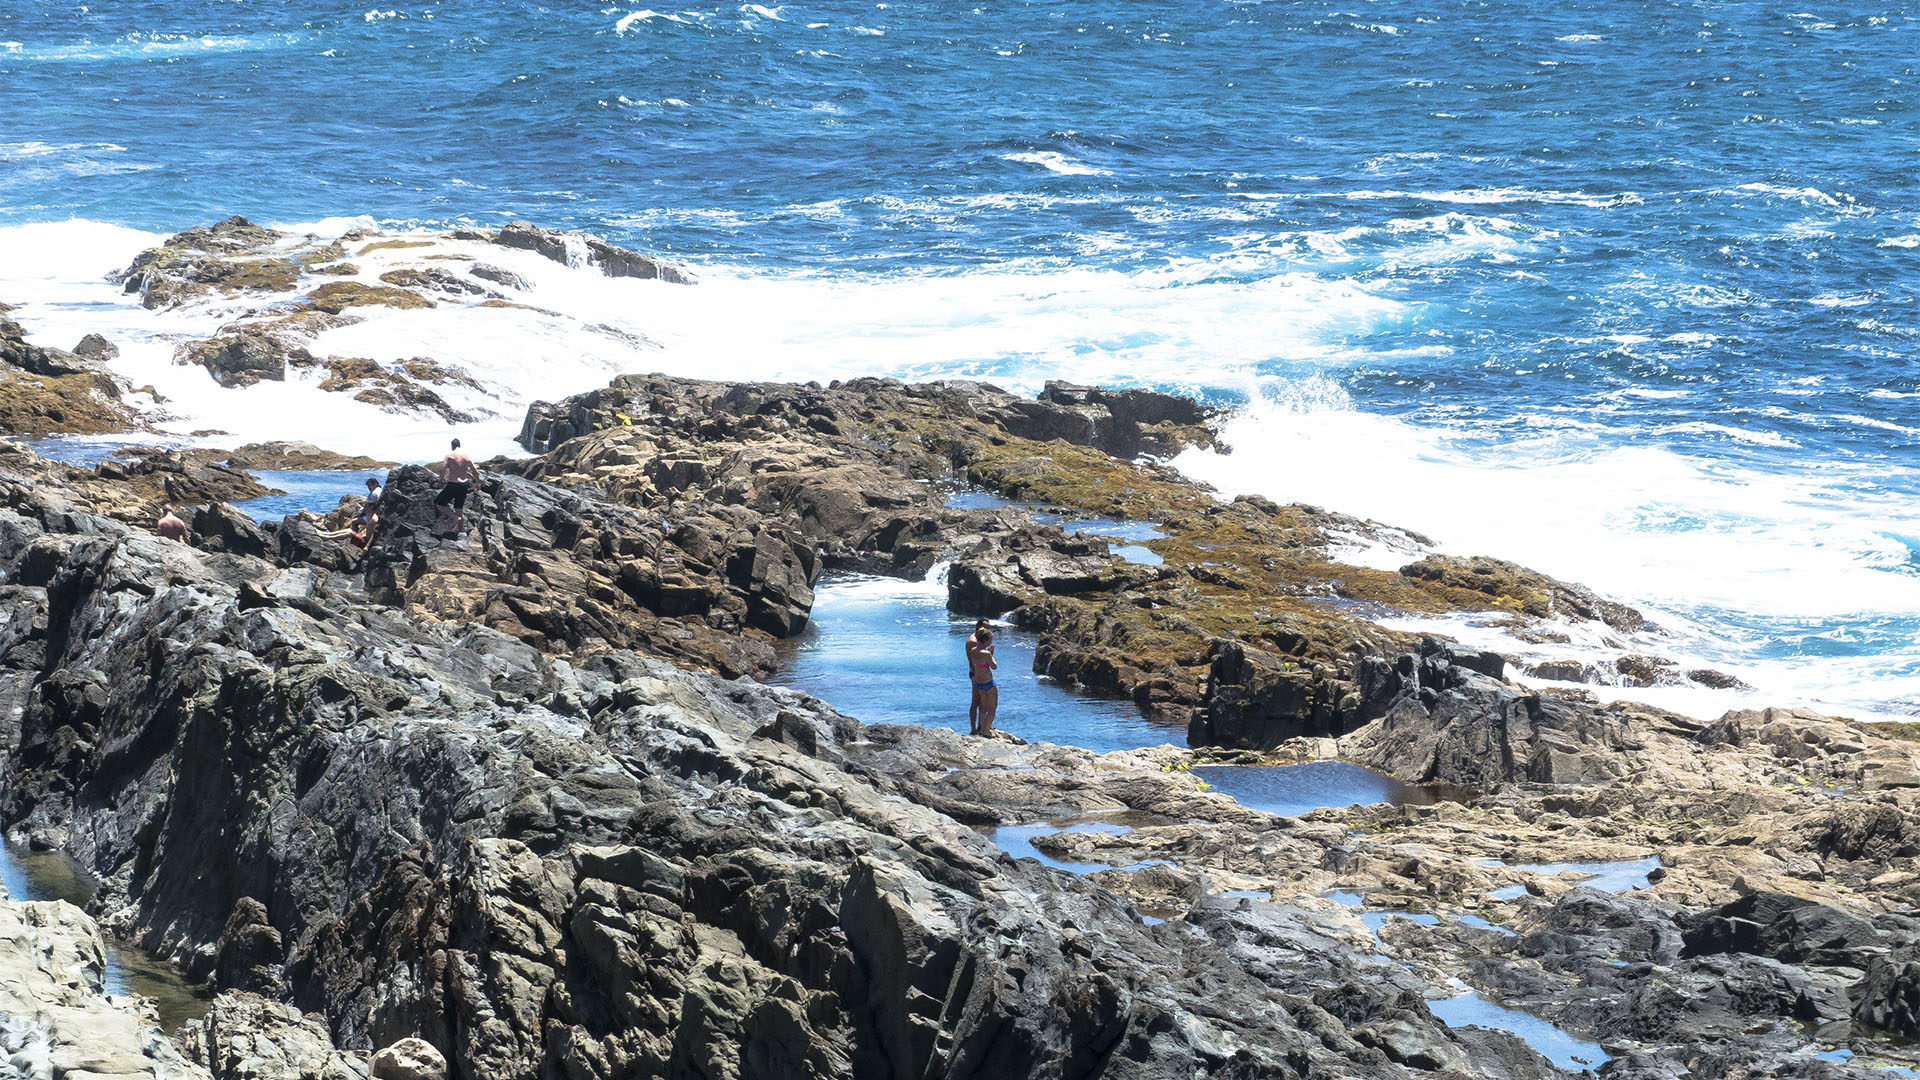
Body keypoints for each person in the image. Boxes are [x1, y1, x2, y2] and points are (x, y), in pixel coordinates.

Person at [434, 438, 476, 534]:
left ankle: (454, 517)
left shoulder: (450, 456)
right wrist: (477, 483)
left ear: (452, 446)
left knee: (438, 502)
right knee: (459, 507)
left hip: (453, 483)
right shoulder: (466, 456)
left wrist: (440, 480)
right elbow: (475, 471)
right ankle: (461, 531)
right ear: (459, 445)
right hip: (464, 484)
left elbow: (443, 469)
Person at [969, 627, 999, 737]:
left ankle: (982, 728)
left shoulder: (973, 651)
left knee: (984, 707)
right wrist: (991, 654)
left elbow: (981, 665)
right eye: (990, 640)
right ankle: (986, 730)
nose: (991, 642)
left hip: (979, 683)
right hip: (989, 683)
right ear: (986, 641)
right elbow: (994, 666)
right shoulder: (986, 654)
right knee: (992, 708)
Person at [965, 618, 991, 733]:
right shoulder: (973, 642)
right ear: (978, 627)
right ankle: (973, 728)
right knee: (976, 701)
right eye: (985, 628)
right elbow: (974, 661)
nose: (987, 631)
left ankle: (982, 726)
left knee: (982, 701)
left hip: (980, 673)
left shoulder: (980, 640)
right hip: (975, 674)